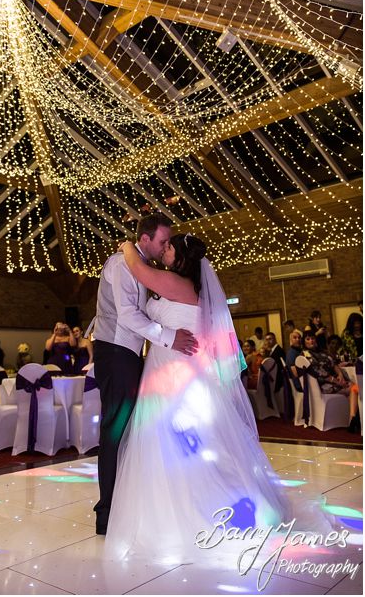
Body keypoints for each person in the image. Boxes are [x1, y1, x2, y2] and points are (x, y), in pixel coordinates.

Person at [106, 233, 330, 562]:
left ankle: (193, 514)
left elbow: (139, 270)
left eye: (169, 247)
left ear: (181, 258)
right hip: (176, 373)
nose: (164, 250)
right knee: (185, 447)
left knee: (178, 446)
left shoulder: (176, 283)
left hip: (175, 377)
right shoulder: (188, 287)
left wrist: (127, 246)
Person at [91, 213, 198, 536]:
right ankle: (106, 512)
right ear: (145, 238)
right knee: (115, 429)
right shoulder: (121, 264)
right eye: (163, 241)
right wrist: (169, 337)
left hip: (128, 355)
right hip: (115, 352)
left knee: (128, 430)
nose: (165, 247)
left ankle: (124, 503)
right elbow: (126, 316)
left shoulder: (140, 266)